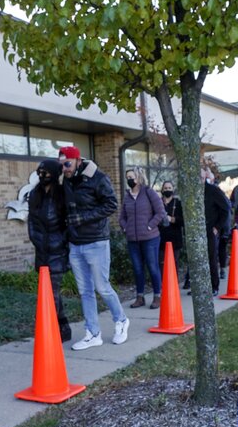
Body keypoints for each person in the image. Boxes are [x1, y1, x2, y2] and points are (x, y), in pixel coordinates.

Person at [58, 145, 129, 350]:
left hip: (96, 241)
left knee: (102, 287)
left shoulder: (98, 178)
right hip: (76, 244)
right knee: (85, 291)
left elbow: (112, 204)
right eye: (61, 165)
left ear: (78, 160)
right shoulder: (66, 181)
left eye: (68, 164)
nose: (65, 169)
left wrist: (84, 218)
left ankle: (121, 320)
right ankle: (92, 333)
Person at [27, 159, 73, 342]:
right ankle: (64, 327)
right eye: (40, 172)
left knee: (51, 293)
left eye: (45, 172)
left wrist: (61, 243)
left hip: (57, 251)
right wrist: (36, 240)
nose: (42, 175)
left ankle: (49, 332)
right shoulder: (34, 194)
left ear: (54, 174)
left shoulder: (62, 194)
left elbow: (68, 222)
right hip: (41, 250)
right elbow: (31, 221)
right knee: (50, 291)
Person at [119, 168, 166, 309]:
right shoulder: (127, 196)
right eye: (127, 177)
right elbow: (122, 217)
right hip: (133, 240)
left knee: (152, 268)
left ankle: (157, 296)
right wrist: (125, 227)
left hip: (150, 238)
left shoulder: (148, 192)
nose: (129, 180)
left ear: (138, 178)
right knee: (138, 269)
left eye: (131, 177)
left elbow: (160, 212)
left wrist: (149, 227)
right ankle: (140, 297)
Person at [202, 167, 230, 295]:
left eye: (201, 177)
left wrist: (217, 227)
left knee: (211, 258)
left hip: (210, 229)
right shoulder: (192, 192)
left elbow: (225, 209)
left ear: (205, 177)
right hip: (198, 230)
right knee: (199, 260)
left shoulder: (213, 190)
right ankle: (200, 286)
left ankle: (214, 286)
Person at [159, 180, 185, 282]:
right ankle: (163, 284)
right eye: (165, 188)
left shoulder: (178, 203)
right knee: (161, 262)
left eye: (169, 188)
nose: (167, 190)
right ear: (162, 190)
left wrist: (172, 219)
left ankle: (174, 283)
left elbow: (183, 221)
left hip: (175, 238)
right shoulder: (158, 203)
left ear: (173, 190)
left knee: (174, 262)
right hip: (161, 238)